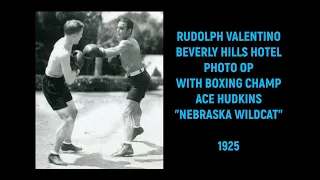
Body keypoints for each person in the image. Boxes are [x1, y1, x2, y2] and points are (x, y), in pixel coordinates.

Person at [82, 18, 151, 157]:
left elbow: (115, 50)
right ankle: (137, 128)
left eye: (121, 28)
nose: (118, 30)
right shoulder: (132, 41)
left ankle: (127, 147)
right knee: (135, 106)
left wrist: (99, 51)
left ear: (129, 31)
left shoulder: (126, 42)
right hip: (139, 77)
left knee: (126, 112)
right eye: (118, 27)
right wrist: (126, 66)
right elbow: (133, 58)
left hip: (140, 81)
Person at [42, 19, 86, 165]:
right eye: (80, 34)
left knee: (73, 111)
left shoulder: (63, 40)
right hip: (51, 85)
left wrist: (71, 66)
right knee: (67, 119)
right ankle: (53, 154)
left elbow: (64, 78)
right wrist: (78, 68)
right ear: (73, 35)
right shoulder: (63, 53)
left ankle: (67, 143)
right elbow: (70, 80)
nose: (81, 37)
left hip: (58, 81)